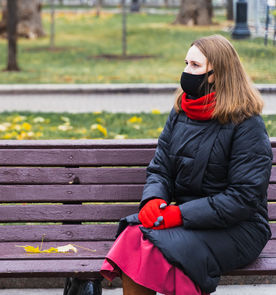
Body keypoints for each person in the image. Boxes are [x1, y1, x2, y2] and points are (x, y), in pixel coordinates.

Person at [100, 34, 272, 295]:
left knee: (164, 248)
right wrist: (153, 199)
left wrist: (180, 214)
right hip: (184, 219)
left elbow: (243, 198)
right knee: (135, 236)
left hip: (239, 227)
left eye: (195, 66)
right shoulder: (181, 111)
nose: (186, 72)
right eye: (186, 63)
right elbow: (160, 168)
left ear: (217, 73)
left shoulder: (246, 123)